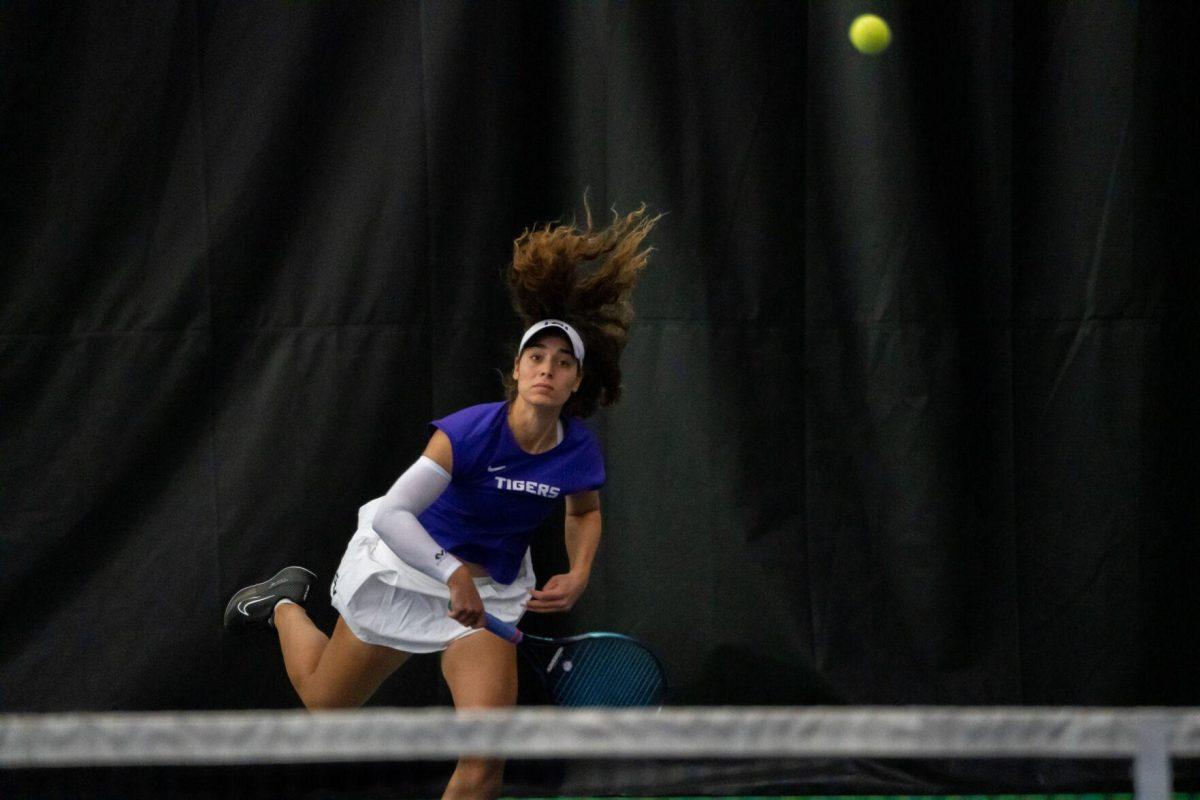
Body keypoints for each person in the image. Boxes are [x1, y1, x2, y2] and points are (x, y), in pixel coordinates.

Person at [223, 202, 658, 800]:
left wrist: (580, 570)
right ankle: (283, 605)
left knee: (483, 763)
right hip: (407, 571)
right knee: (326, 703)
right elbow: (394, 514)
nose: (547, 371)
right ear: (518, 368)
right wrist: (450, 571)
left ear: (576, 382)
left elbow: (583, 511)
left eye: (563, 364)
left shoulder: (577, 451)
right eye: (537, 358)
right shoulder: (467, 433)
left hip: (490, 601)